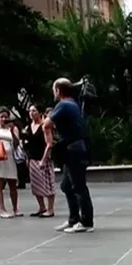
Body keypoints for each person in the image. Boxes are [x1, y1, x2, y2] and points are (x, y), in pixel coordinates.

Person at [45, 78, 94, 233]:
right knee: (67, 185)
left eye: (54, 90)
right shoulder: (73, 104)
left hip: (74, 149)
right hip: (75, 148)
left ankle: (86, 222)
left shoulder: (64, 104)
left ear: (58, 90)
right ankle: (74, 219)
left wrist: (50, 142)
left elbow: (46, 124)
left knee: (78, 186)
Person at [23, 105, 56, 217]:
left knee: (48, 184)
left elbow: (49, 144)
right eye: (30, 111)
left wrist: (44, 159)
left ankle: (50, 209)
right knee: (36, 184)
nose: (31, 113)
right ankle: (42, 207)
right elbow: (26, 144)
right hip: (32, 158)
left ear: (40, 112)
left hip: (43, 158)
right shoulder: (28, 127)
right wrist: (27, 158)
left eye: (34, 111)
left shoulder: (44, 126)